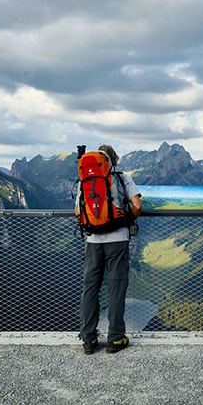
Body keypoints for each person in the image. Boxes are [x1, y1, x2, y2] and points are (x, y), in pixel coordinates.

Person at [79, 144, 142, 355]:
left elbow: (79, 211)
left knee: (90, 288)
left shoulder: (85, 180)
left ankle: (89, 339)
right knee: (116, 288)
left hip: (93, 241)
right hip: (118, 239)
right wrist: (127, 219)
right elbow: (138, 205)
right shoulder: (122, 178)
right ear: (113, 160)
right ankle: (115, 339)